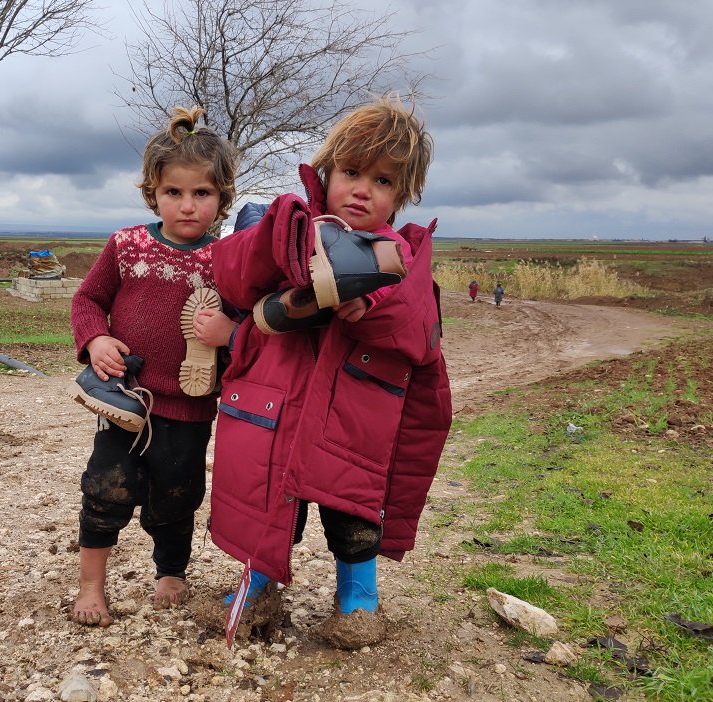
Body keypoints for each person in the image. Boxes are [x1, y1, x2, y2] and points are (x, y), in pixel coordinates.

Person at [194, 94, 452, 649]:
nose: (362, 189)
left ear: (402, 195)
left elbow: (416, 331)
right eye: (352, 172)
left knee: (352, 515)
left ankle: (359, 598)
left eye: (383, 181)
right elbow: (235, 273)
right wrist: (284, 241)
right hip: (278, 409)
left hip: (353, 424)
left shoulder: (402, 258)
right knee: (269, 506)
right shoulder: (285, 228)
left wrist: (373, 305)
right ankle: (256, 586)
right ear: (326, 171)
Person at [68, 106, 238, 627]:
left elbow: (249, 326)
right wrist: (95, 339)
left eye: (202, 194)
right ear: (153, 193)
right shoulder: (127, 246)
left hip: (191, 407)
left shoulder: (230, 260)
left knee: (178, 494)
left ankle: (171, 570)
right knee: (105, 486)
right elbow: (87, 300)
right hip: (126, 402)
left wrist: (229, 335)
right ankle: (91, 587)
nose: (187, 205)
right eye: (174, 193)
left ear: (222, 198)